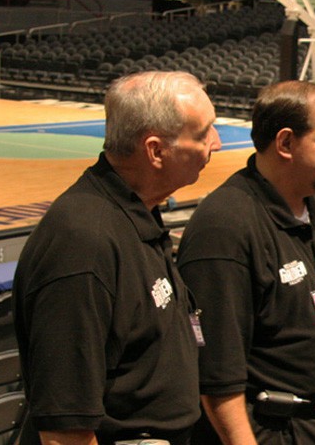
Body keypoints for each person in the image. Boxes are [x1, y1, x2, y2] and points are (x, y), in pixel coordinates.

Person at [13, 71, 222, 445]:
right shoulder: (83, 243)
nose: (217, 144)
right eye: (204, 133)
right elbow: (65, 431)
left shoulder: (138, 211)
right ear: (156, 151)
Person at [177, 81, 315, 445]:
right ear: (285, 143)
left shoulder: (312, 204)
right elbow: (217, 375)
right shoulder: (225, 227)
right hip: (267, 430)